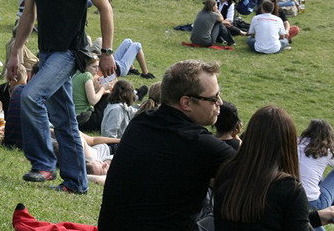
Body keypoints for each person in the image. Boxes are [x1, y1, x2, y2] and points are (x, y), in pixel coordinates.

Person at [6, 0, 116, 194]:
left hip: (70, 53)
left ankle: (43, 164)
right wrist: (16, 52)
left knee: (30, 96)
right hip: (45, 52)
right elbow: (29, 14)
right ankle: (77, 183)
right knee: (66, 123)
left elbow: (105, 8)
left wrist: (107, 51)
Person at [98, 60, 235, 229]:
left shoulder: (140, 123)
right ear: (186, 103)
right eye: (214, 98)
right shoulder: (202, 144)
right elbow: (259, 178)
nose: (220, 103)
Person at [212, 105, 334, 231]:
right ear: (288, 144)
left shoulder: (226, 172)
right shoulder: (288, 189)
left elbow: (269, 222)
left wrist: (318, 217)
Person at [298, 119, 334, 214]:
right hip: (316, 203)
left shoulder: (296, 145)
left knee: (317, 174)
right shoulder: (326, 152)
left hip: (295, 200)